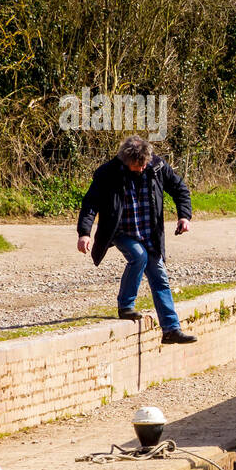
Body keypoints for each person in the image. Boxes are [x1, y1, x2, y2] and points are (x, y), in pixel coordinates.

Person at [76, 135, 197, 344]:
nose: (141, 168)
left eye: (144, 164)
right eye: (137, 165)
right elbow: (90, 204)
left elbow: (180, 189)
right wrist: (84, 233)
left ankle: (170, 329)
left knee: (160, 277)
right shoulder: (108, 173)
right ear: (125, 160)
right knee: (138, 256)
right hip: (122, 232)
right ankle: (125, 305)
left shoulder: (157, 167)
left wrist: (184, 216)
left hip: (150, 233)